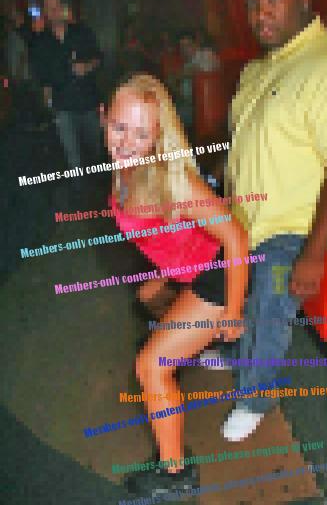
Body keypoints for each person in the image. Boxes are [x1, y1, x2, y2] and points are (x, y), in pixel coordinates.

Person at [223, 0, 327, 441]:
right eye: (254, 2)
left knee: (270, 308)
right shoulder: (261, 67)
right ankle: (237, 354)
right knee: (241, 299)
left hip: (291, 230)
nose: (261, 12)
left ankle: (255, 397)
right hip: (244, 220)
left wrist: (313, 255)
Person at [104, 73, 249, 497]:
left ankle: (176, 475)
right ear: (103, 118)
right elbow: (166, 235)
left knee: (151, 366)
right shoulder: (122, 172)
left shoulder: (174, 182)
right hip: (193, 273)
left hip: (220, 276)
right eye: (119, 127)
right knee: (149, 325)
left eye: (141, 134)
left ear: (157, 136)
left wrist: (232, 311)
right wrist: (162, 275)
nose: (127, 142)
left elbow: (235, 238)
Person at [29, 0, 103, 172]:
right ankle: (78, 186)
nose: (53, 11)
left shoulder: (82, 32)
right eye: (49, 8)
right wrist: (49, 108)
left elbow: (98, 58)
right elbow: (43, 80)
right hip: (63, 108)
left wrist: (87, 66)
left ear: (64, 8)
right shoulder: (41, 42)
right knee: (73, 157)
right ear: (45, 12)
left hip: (88, 103)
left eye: (56, 7)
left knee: (95, 150)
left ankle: (97, 182)